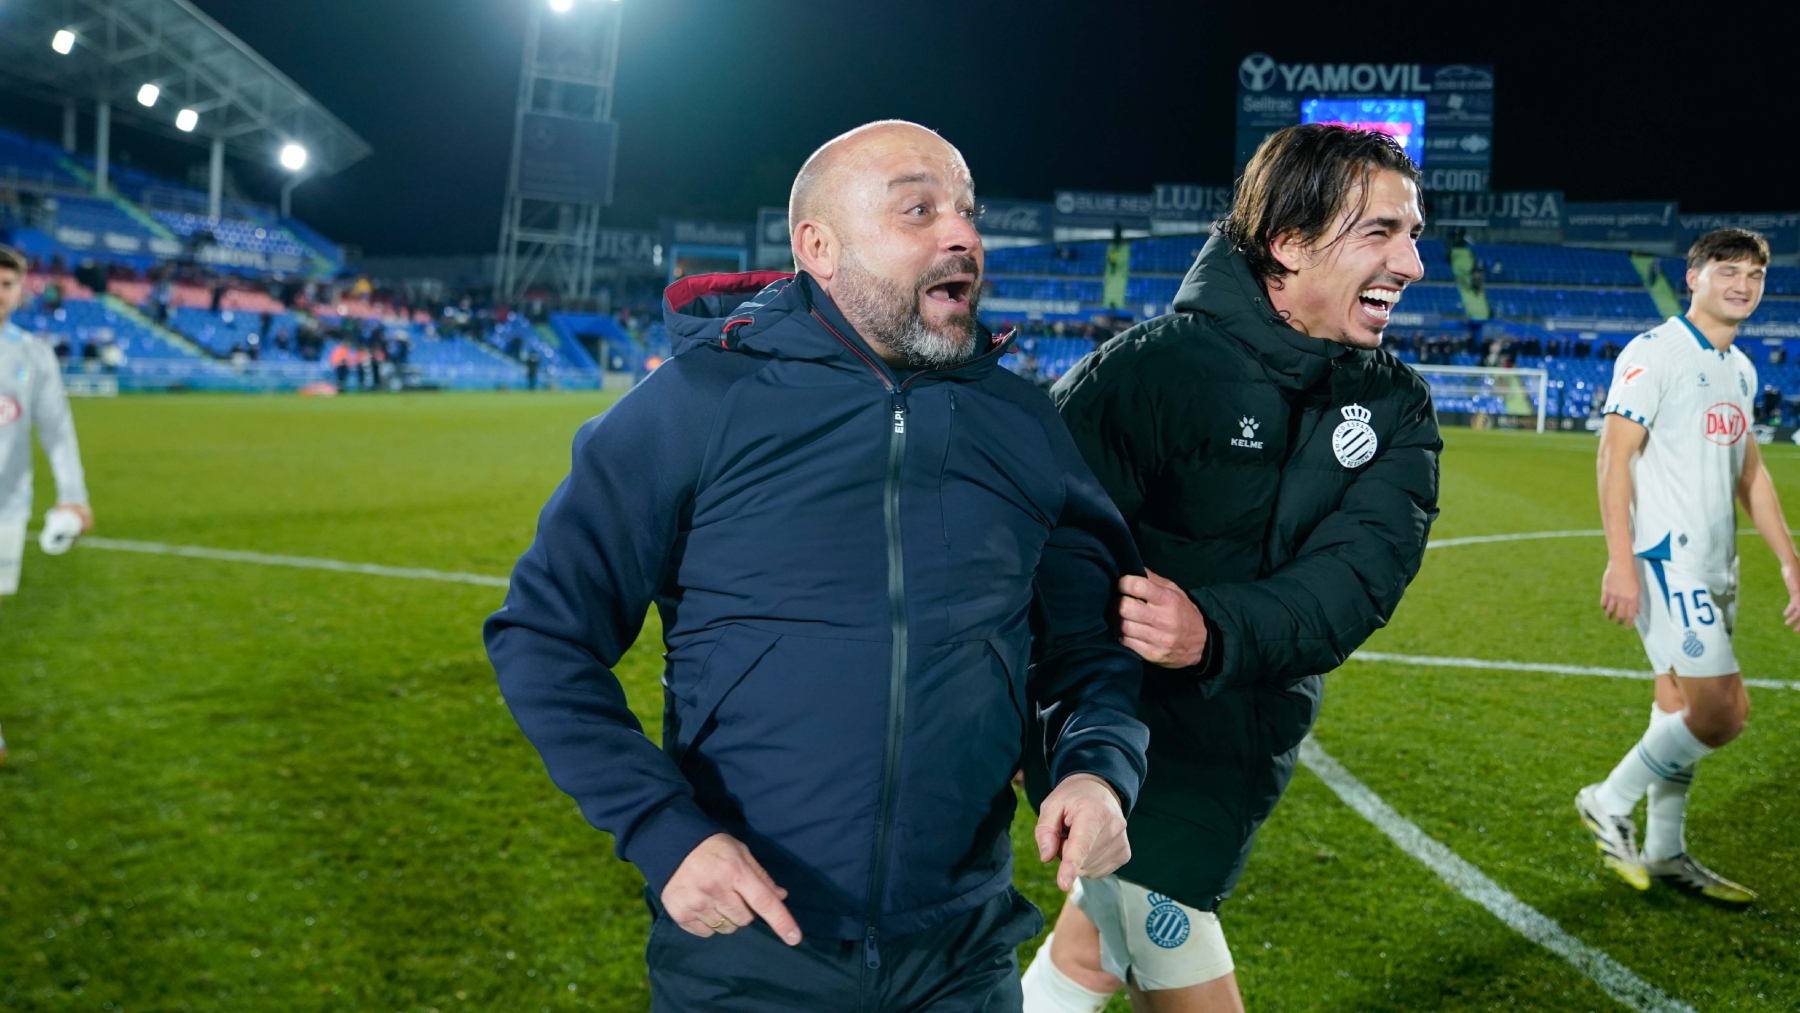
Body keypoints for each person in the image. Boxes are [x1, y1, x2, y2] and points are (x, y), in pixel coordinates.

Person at [486, 121, 1149, 1013]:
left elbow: (1091, 640)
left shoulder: (1024, 424)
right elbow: (543, 635)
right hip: (750, 954)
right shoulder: (696, 403)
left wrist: (1097, 767)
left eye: (967, 211)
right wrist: (662, 831)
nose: (962, 234)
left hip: (962, 954)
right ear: (818, 246)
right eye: (919, 208)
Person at [1022, 124, 1442, 1013]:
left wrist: (1212, 629)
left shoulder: (1398, 408)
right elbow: (1032, 554)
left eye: (1414, 234)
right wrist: (1042, 725)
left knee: (1092, 952)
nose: (1412, 263)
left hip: (1243, 743)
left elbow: (1356, 583)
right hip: (1123, 746)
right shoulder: (1150, 374)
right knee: (1171, 952)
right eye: (1381, 232)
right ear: (1288, 245)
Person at [1577, 228, 1800, 906]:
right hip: (1665, 558)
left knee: (1675, 705)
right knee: (1722, 713)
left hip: (1716, 561)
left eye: (1755, 275)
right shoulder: (1655, 352)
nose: (1743, 285)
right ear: (1694, 277)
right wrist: (1621, 560)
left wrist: (1791, 563)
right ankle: (1606, 799)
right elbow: (1613, 456)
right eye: (1728, 271)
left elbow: (1750, 471)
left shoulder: (1741, 368)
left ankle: (1665, 850)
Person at [0, 244, 95, 764]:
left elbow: (58, 431)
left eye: (6, 284)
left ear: (20, 291)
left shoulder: (32, 354)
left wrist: (73, 496)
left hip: (6, 509)